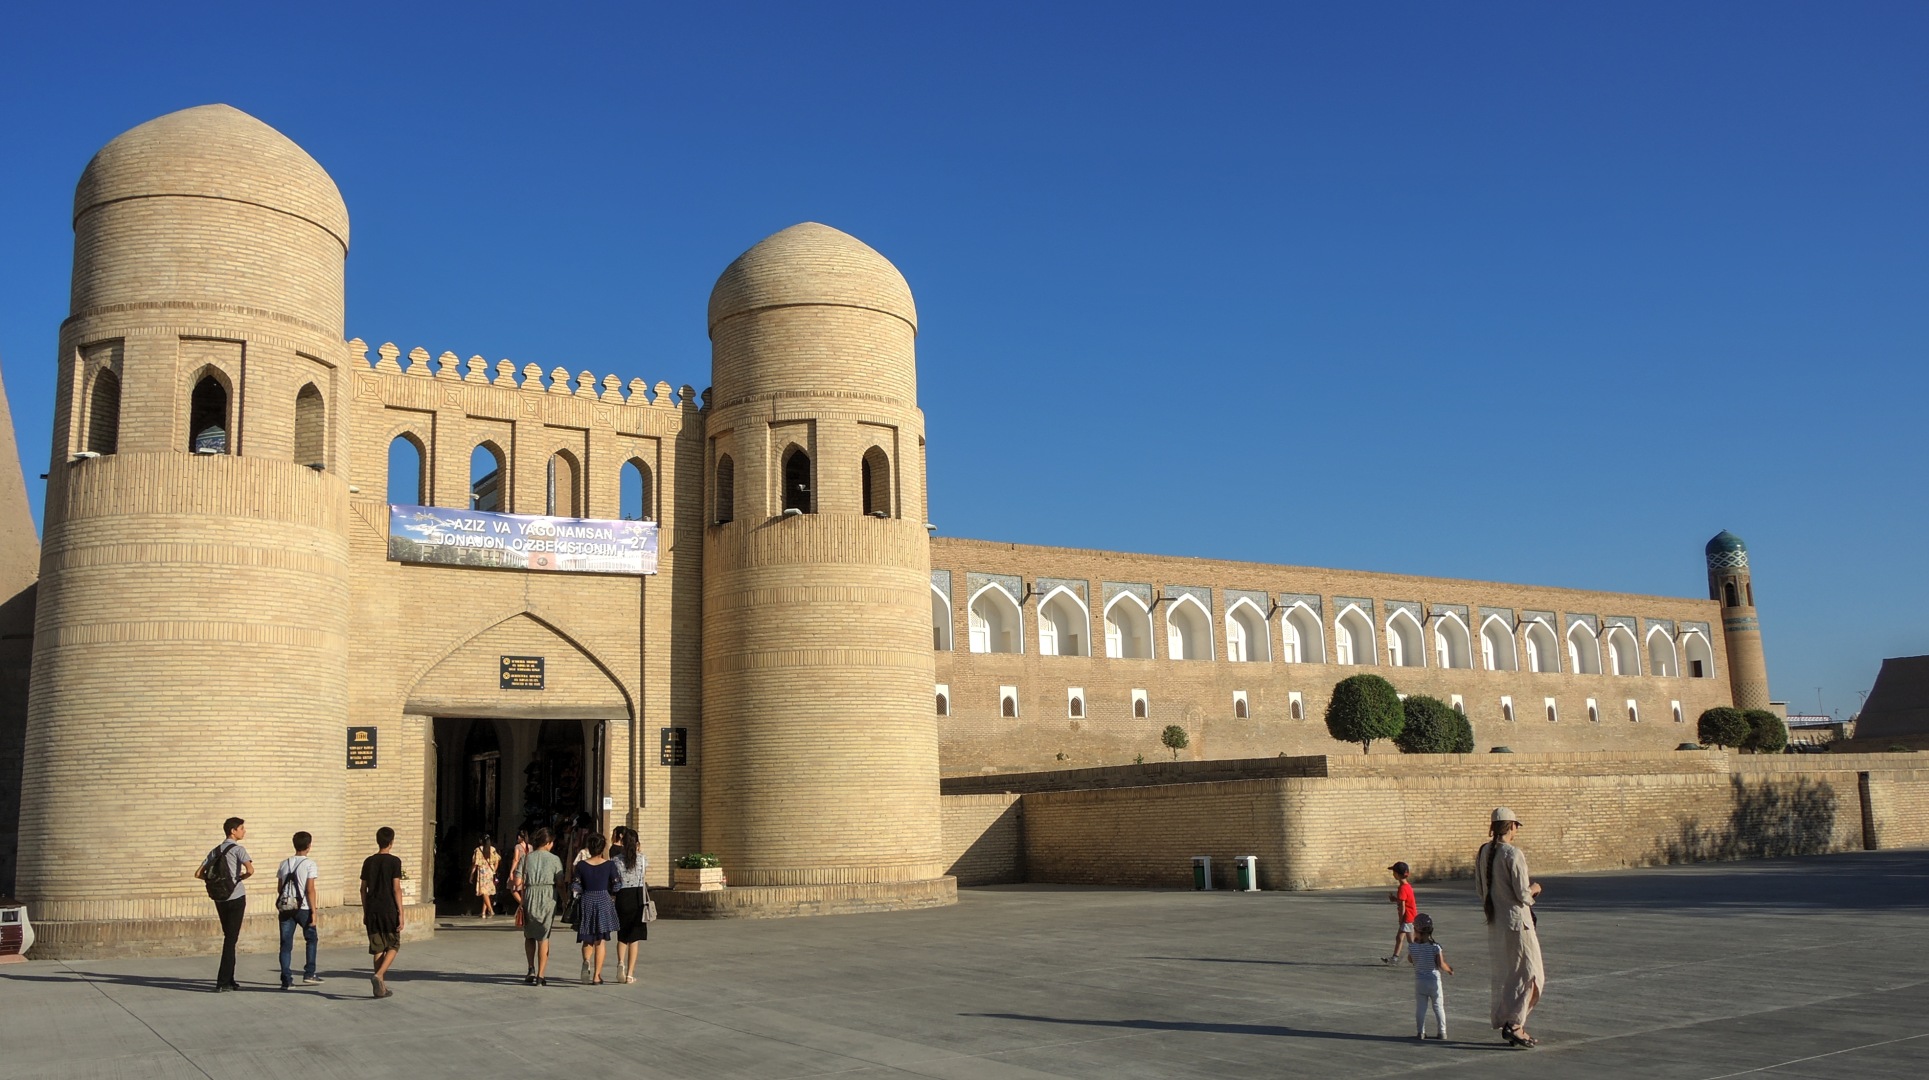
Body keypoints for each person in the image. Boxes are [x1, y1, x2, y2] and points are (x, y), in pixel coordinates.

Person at [1475, 807, 1545, 1047]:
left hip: (1499, 921)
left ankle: (1511, 1021)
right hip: (1518, 923)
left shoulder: (1483, 852)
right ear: (1511, 826)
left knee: (1512, 974)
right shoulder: (1513, 854)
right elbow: (1523, 894)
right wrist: (1535, 889)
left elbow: (1480, 889)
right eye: (1516, 826)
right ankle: (1515, 1024)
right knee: (1533, 974)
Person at [195, 816, 253, 992]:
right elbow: (250, 870)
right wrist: (239, 878)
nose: (244, 831)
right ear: (233, 831)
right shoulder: (239, 850)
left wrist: (216, 882)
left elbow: (198, 873)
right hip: (236, 897)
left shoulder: (215, 850)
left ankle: (230, 979)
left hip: (220, 898)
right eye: (241, 828)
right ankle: (222, 982)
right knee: (230, 940)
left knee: (229, 937)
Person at [360, 826, 406, 999]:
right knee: (394, 945)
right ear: (391, 842)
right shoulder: (394, 861)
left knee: (378, 947)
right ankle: (379, 975)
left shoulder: (368, 861)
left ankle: (381, 988)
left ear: (377, 841)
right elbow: (396, 889)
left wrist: (366, 910)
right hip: (388, 908)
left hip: (372, 908)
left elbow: (363, 889)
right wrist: (401, 912)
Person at [571, 832, 621, 984]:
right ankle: (597, 976)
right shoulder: (609, 865)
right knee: (600, 939)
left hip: (587, 899)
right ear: (603, 848)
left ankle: (586, 960)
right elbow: (617, 885)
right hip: (603, 900)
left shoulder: (581, 865)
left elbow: (575, 885)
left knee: (587, 937)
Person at [275, 831, 323, 989]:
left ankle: (286, 980)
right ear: (309, 846)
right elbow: (310, 889)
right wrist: (314, 912)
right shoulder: (310, 864)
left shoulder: (284, 863)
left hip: (286, 908)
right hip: (304, 908)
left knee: (285, 944)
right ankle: (309, 973)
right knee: (311, 939)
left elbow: (280, 888)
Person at [516, 827, 562, 985]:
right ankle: (541, 976)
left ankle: (531, 968)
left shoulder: (526, 858)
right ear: (548, 842)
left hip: (530, 896)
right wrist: (565, 899)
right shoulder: (555, 859)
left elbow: (517, 881)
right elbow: (560, 883)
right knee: (544, 936)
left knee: (529, 935)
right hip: (548, 897)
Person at [610, 826, 649, 984]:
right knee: (634, 938)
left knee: (622, 935)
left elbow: (614, 881)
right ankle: (630, 974)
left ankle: (621, 963)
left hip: (622, 896)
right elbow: (644, 874)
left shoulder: (615, 861)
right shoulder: (643, 859)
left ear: (623, 843)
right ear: (637, 844)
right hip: (637, 897)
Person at [1407, 912, 1453, 1040]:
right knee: (1438, 1007)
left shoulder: (1412, 947)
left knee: (1421, 1008)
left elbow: (1410, 960)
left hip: (1420, 981)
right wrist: (1449, 970)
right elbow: (1441, 964)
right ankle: (1442, 1032)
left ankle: (1420, 1032)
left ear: (1415, 929)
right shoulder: (1436, 947)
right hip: (1433, 980)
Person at [1383, 861, 1416, 964]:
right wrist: (1395, 899)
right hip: (1410, 916)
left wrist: (1401, 919)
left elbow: (1402, 906)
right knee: (1399, 938)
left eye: (1394, 872)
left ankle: (1418, 958)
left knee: (1411, 941)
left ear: (1397, 874)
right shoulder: (1407, 886)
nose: (1393, 874)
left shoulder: (1402, 888)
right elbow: (1404, 901)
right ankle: (1395, 958)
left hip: (1407, 917)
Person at [472, 835, 501, 918]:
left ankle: (490, 909)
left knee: (484, 892)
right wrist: (494, 870)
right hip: (490, 872)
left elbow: (475, 864)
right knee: (487, 893)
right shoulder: (493, 849)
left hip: (482, 873)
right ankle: (483, 912)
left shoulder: (478, 850)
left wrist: (471, 874)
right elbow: (497, 861)